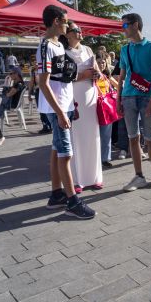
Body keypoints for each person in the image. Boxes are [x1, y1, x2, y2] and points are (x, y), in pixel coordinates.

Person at [37, 5, 95, 219]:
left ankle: (56, 194)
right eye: (65, 21)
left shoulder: (57, 45)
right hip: (57, 108)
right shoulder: (46, 47)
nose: (68, 25)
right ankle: (72, 201)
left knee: (56, 150)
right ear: (55, 21)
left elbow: (62, 80)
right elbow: (43, 83)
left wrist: (70, 107)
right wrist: (60, 112)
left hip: (65, 105)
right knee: (65, 153)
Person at [116, 13, 151, 192]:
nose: (123, 29)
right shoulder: (124, 49)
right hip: (128, 97)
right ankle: (139, 176)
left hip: (146, 97)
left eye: (125, 26)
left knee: (150, 138)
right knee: (132, 138)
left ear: (135, 25)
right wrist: (118, 98)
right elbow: (121, 77)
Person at [63, 21, 103, 193]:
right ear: (67, 34)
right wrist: (82, 75)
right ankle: (77, 180)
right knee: (76, 137)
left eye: (80, 30)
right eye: (76, 30)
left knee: (92, 136)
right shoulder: (62, 51)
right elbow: (62, 77)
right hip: (72, 95)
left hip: (90, 95)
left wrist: (97, 73)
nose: (80, 32)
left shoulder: (87, 49)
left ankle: (94, 177)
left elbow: (97, 71)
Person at [96, 51, 119, 168]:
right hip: (94, 107)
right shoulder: (93, 76)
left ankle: (105, 158)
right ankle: (95, 158)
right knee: (95, 134)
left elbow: (119, 86)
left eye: (103, 62)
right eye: (99, 62)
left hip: (106, 107)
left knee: (106, 134)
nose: (101, 65)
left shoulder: (106, 76)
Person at [28, 57, 52, 134]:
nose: (35, 63)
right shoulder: (33, 71)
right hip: (38, 91)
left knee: (47, 108)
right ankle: (45, 126)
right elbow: (31, 82)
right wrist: (29, 93)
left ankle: (50, 125)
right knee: (41, 109)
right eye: (34, 62)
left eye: (37, 62)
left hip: (45, 90)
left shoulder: (45, 70)